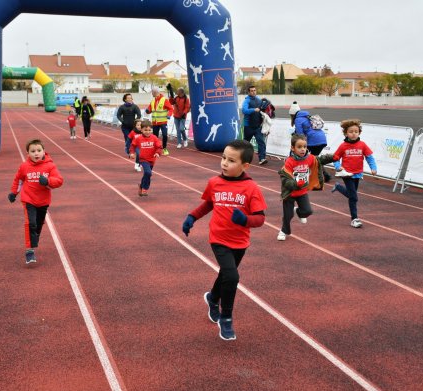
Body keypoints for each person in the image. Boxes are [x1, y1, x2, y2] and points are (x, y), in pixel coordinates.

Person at [182, 140, 267, 341]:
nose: (224, 163)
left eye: (231, 160)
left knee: (226, 275)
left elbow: (261, 218)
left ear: (245, 166)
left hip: (240, 241)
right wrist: (191, 217)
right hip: (218, 238)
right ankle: (226, 318)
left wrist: (246, 219)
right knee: (233, 277)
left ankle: (212, 298)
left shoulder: (251, 188)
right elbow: (208, 204)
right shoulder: (214, 183)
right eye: (223, 158)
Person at [8, 139, 64, 264]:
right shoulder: (24, 166)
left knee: (38, 224)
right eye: (33, 151)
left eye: (39, 150)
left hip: (43, 201)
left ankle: (34, 237)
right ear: (28, 153)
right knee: (30, 223)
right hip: (29, 199)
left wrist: (48, 181)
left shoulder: (50, 166)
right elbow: (18, 180)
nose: (36, 153)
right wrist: (13, 193)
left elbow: (59, 180)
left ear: (44, 151)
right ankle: (29, 251)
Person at [277, 134, 334, 241]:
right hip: (290, 193)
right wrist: (295, 184)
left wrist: (333, 157)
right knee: (288, 216)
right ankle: (283, 231)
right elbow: (285, 180)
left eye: (304, 146)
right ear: (292, 148)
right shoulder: (289, 162)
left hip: (302, 192)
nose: (303, 149)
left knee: (308, 211)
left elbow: (321, 159)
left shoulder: (310, 158)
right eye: (299, 147)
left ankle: (298, 212)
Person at [331, 119, 378, 228]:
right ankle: (354, 219)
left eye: (356, 131)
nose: (353, 134)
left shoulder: (362, 145)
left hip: (358, 173)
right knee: (353, 197)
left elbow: (370, 158)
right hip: (346, 174)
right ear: (346, 133)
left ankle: (338, 187)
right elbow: (335, 158)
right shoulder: (343, 146)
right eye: (351, 131)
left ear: (359, 132)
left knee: (351, 194)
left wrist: (373, 168)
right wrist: (338, 167)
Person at [289, 101, 331, 182]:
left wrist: (294, 138)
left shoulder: (298, 119)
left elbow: (300, 135)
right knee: (314, 158)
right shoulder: (307, 116)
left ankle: (320, 176)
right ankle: (324, 175)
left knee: (306, 158)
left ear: (292, 114)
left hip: (313, 141)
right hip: (322, 139)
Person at [129, 119, 162, 196]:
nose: (147, 132)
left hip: (152, 160)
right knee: (148, 173)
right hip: (143, 159)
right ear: (141, 130)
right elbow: (132, 146)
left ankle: (141, 186)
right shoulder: (138, 139)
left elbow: (159, 147)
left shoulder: (154, 138)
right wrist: (132, 153)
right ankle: (145, 189)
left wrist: (157, 153)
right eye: (145, 130)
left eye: (149, 130)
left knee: (147, 175)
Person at [241, 86, 267, 165]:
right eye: (252, 91)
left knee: (261, 142)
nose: (253, 92)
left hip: (257, 126)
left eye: (255, 90)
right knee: (246, 144)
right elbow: (244, 110)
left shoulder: (259, 100)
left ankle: (262, 158)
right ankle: (242, 158)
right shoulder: (247, 101)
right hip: (248, 126)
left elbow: (263, 109)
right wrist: (253, 110)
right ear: (249, 92)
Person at [145, 87, 173, 156]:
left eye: (152, 92)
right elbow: (149, 109)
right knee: (155, 136)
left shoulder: (164, 100)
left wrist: (169, 115)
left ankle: (164, 148)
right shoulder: (152, 101)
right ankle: (155, 149)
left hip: (163, 122)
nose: (151, 94)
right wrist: (147, 111)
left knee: (164, 135)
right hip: (155, 122)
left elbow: (171, 109)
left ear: (155, 92)